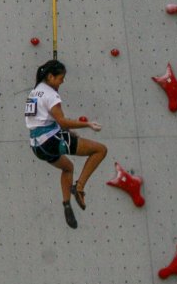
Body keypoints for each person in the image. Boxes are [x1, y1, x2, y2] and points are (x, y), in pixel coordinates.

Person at [25, 60, 107, 228]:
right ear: (50, 76)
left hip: (37, 146)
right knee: (100, 150)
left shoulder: (34, 92)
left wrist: (67, 134)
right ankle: (79, 187)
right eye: (61, 78)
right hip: (50, 141)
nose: (63, 81)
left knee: (68, 167)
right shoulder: (51, 95)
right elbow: (62, 121)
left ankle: (67, 204)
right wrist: (88, 124)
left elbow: (41, 120)